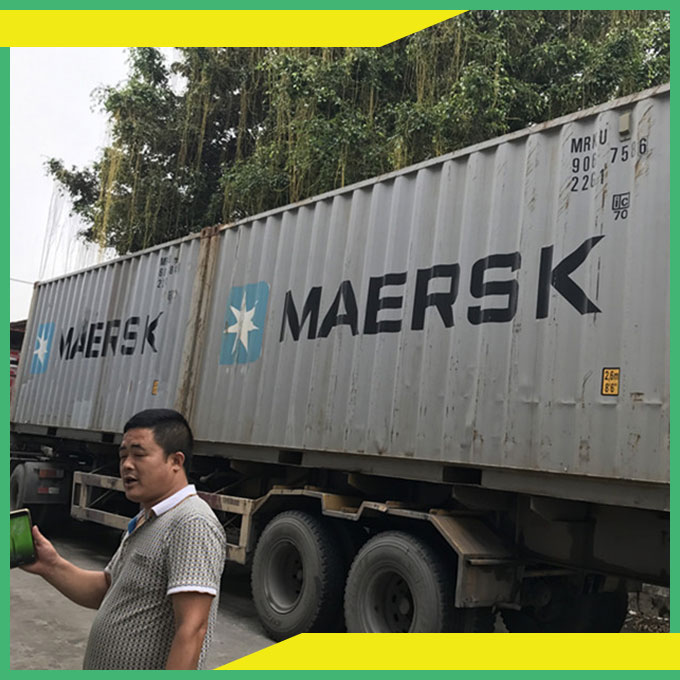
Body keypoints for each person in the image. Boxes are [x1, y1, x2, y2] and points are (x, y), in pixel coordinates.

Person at [21, 408, 227, 670]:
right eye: (123, 456)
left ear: (175, 461)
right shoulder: (148, 517)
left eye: (139, 455)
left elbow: (192, 629)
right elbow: (107, 589)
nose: (127, 465)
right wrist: (50, 565)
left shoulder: (191, 522)